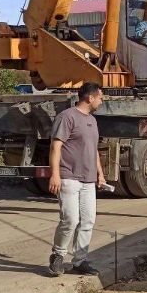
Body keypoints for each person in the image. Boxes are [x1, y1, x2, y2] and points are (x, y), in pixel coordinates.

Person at [47, 82, 106, 277]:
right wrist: (55, 174)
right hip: (69, 177)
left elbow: (94, 149)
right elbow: (56, 147)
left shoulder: (92, 121)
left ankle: (80, 260)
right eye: (100, 97)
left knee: (88, 220)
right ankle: (57, 255)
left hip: (89, 180)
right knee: (70, 220)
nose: (101, 100)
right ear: (90, 98)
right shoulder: (67, 117)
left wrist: (100, 173)